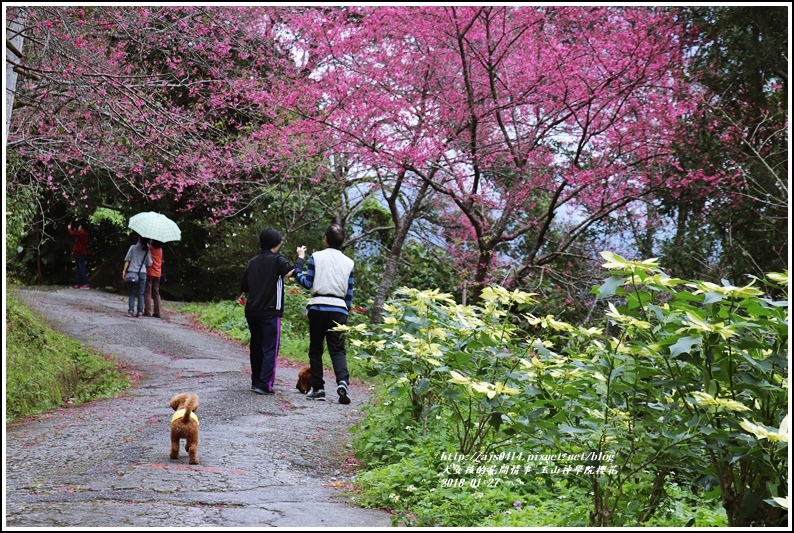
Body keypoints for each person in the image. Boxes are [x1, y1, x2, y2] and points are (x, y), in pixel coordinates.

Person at [293, 223, 355, 404]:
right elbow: (349, 292)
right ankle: (343, 382)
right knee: (338, 350)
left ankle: (318, 389)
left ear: (325, 239)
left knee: (316, 349)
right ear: (342, 242)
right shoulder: (349, 263)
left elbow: (307, 282)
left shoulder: (316, 257)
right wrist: (345, 313)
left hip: (318, 307)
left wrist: (297, 270)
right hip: (339, 309)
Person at [240, 227, 298, 395]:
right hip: (271, 311)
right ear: (276, 243)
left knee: (256, 346)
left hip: (252, 311)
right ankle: (265, 384)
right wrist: (300, 258)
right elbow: (293, 272)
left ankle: (256, 380)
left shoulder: (252, 262)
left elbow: (244, 286)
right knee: (270, 348)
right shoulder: (277, 260)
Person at [122, 236, 152, 318]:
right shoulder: (147, 250)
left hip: (132, 272)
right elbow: (149, 264)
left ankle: (131, 311)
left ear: (139, 239)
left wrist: (124, 271)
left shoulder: (132, 247)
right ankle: (139, 312)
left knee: (132, 293)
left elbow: (127, 260)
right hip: (142, 273)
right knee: (141, 293)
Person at [144, 240, 164, 318]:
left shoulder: (150, 248)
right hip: (158, 273)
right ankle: (157, 312)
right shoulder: (160, 250)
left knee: (148, 292)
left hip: (149, 272)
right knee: (156, 293)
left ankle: (148, 311)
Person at [67, 221, 90, 289]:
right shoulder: (81, 234)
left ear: (82, 228)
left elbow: (73, 234)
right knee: (78, 269)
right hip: (78, 254)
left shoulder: (83, 234)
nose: (78, 227)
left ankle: (86, 284)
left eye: (79, 226)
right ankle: (78, 284)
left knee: (82, 269)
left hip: (81, 254)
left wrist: (69, 228)